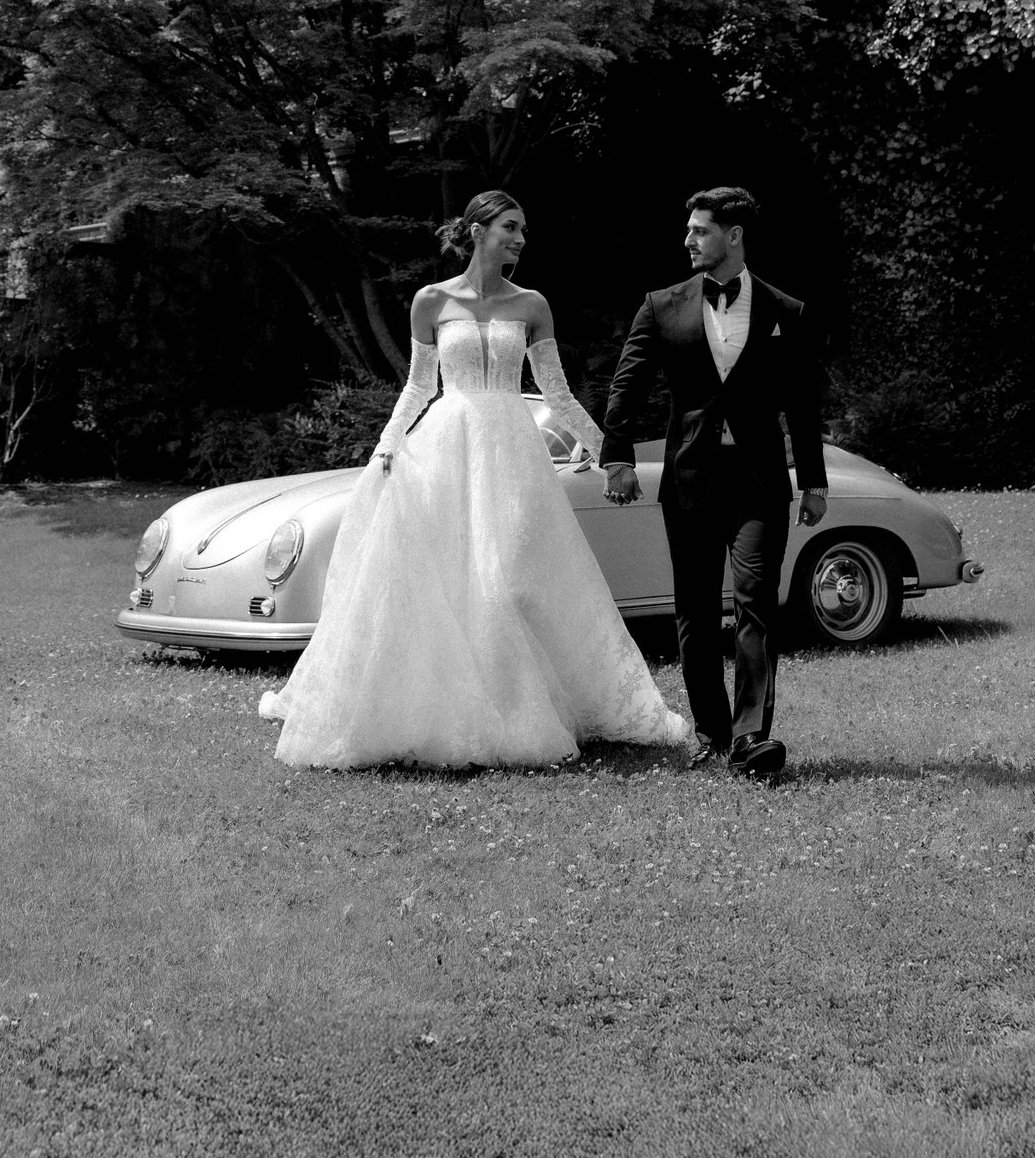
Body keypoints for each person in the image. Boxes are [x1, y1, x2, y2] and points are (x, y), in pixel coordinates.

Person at [259, 191, 687, 768]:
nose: (520, 238)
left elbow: (556, 392)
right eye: (511, 227)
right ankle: (456, 710)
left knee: (510, 577)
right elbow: (418, 386)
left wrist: (609, 451)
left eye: (524, 230)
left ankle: (526, 705)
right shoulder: (431, 301)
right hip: (447, 446)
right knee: (453, 578)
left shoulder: (532, 304)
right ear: (478, 230)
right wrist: (387, 447)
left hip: (512, 454)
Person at [601, 186, 827, 781]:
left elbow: (803, 404)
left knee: (756, 599)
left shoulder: (787, 311)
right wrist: (616, 455)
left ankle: (752, 737)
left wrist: (814, 481)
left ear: (734, 235)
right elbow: (627, 384)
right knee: (696, 610)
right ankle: (711, 732)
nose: (688, 240)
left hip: (759, 480)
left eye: (700, 230)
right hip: (691, 477)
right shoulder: (661, 304)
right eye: (689, 230)